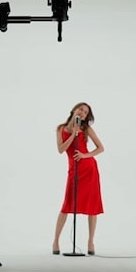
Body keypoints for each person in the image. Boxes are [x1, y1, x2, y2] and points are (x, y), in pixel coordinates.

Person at [52, 102, 105, 255]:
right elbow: (61, 150)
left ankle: (90, 241)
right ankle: (55, 241)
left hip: (89, 170)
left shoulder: (86, 129)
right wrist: (73, 134)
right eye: (81, 109)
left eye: (86, 112)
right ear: (74, 109)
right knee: (67, 205)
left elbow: (101, 148)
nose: (82, 112)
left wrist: (85, 155)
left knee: (92, 206)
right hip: (74, 170)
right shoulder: (61, 129)